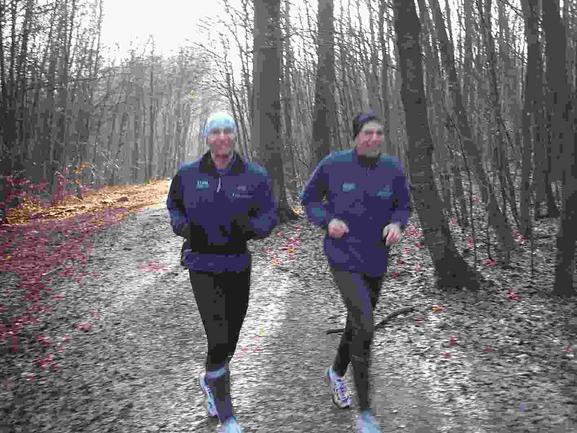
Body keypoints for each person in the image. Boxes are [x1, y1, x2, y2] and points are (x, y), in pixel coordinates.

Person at [167, 111, 278, 433]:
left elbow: (269, 213)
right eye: (215, 131)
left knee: (230, 339)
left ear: (235, 134)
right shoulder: (188, 175)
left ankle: (211, 379)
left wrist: (254, 229)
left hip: (237, 263)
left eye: (227, 130)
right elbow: (174, 205)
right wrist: (183, 227)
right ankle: (227, 416)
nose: (222, 137)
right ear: (207, 137)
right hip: (202, 264)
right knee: (217, 337)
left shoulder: (254, 176)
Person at [300, 112, 411, 433]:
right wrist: (327, 221)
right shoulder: (334, 165)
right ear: (356, 136)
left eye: (379, 133)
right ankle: (365, 413)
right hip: (343, 256)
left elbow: (404, 205)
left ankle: (335, 373)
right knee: (364, 323)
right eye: (367, 133)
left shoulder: (392, 168)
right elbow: (309, 200)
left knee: (357, 322)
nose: (374, 138)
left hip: (376, 258)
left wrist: (397, 224)